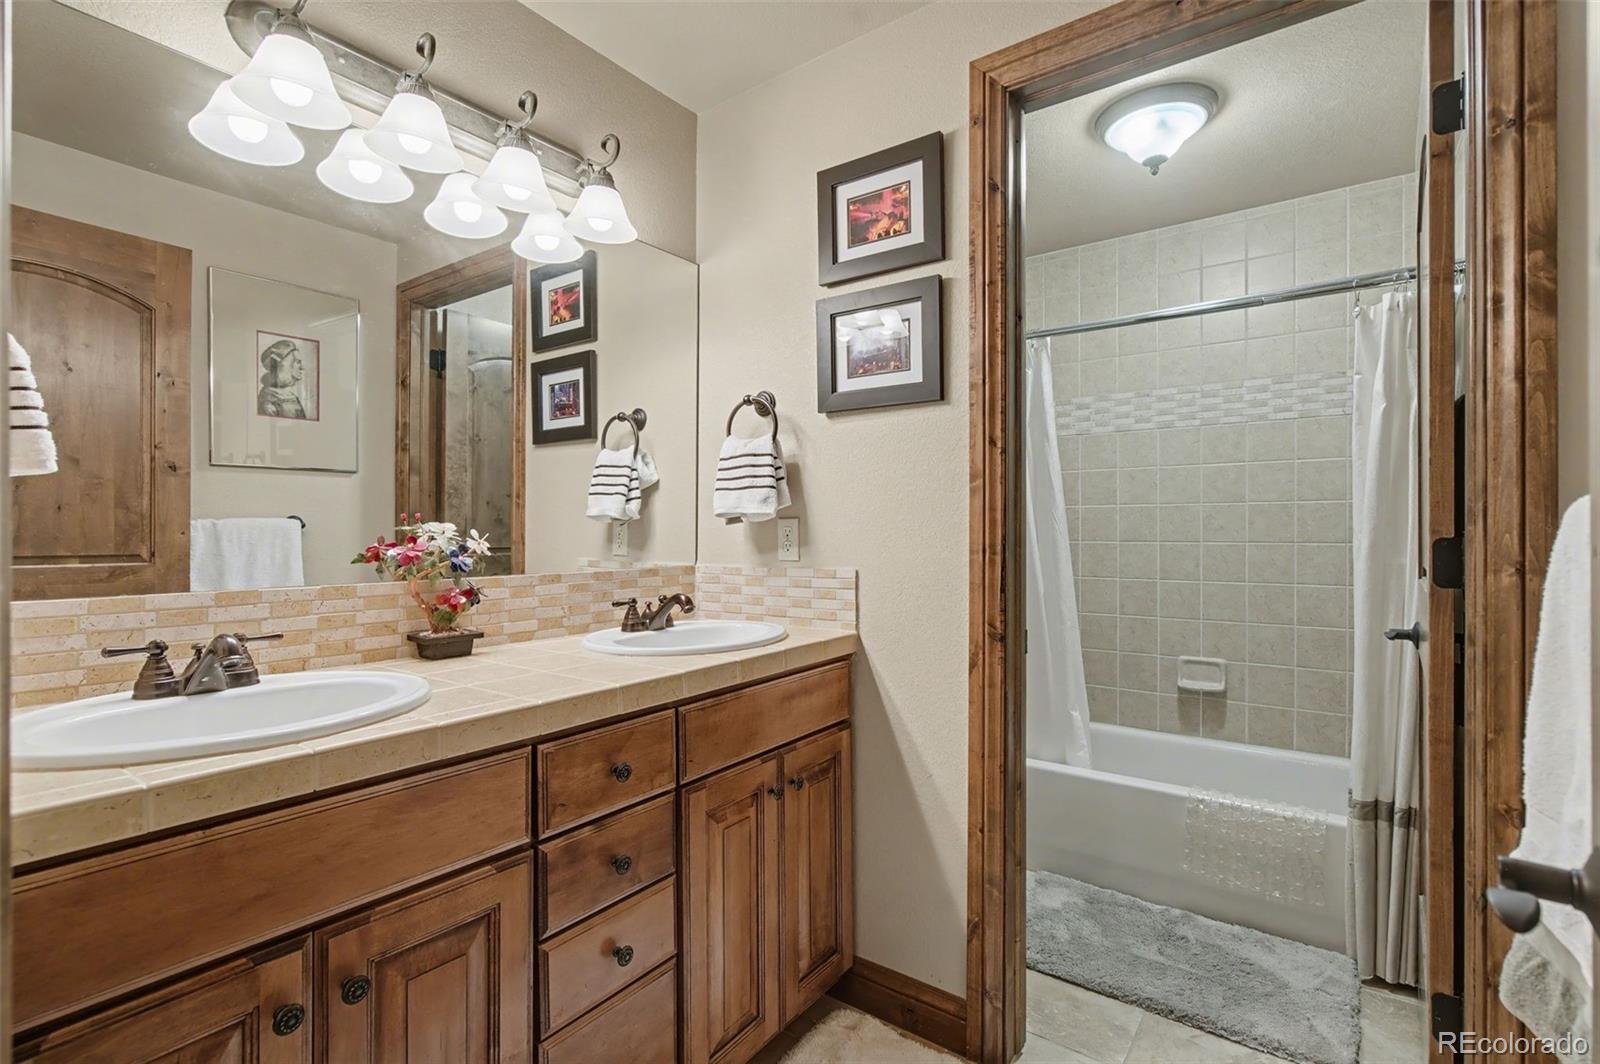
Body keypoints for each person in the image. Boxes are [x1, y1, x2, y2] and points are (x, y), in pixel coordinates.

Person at [257, 338, 308, 419]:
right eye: (298, 362)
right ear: (284, 366)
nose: (302, 367)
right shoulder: (268, 401)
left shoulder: (291, 396)